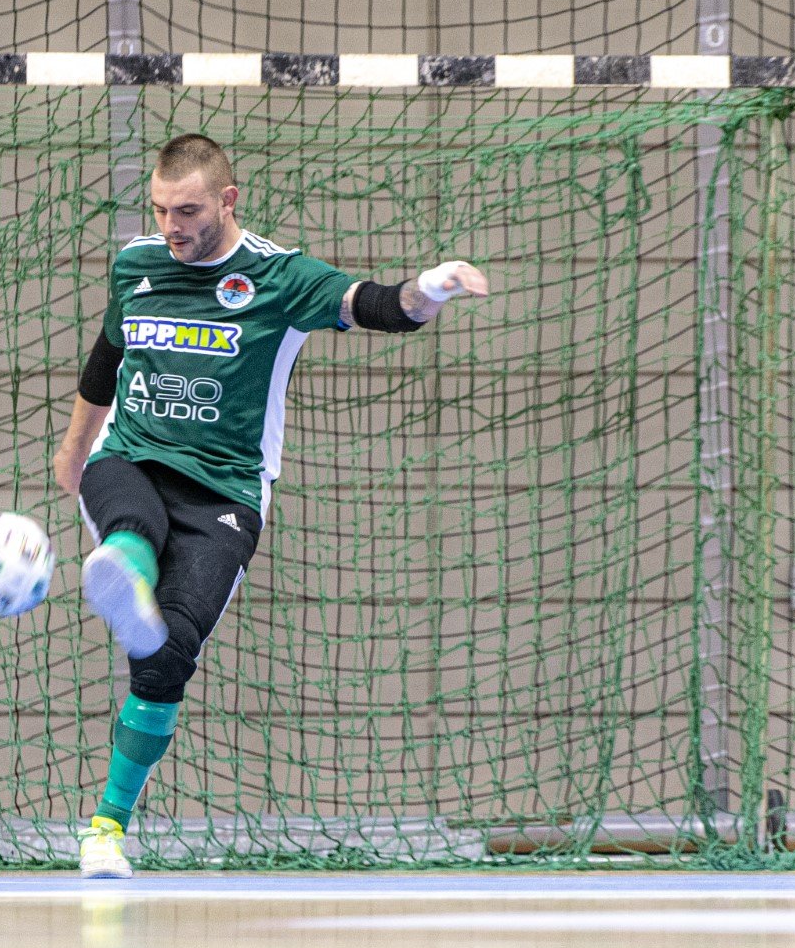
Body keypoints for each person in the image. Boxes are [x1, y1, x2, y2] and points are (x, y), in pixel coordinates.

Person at [52, 133, 488, 878]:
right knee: (131, 527)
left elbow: (379, 306)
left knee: (168, 657)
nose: (171, 227)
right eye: (159, 210)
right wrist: (73, 450)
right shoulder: (137, 263)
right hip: (129, 459)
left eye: (187, 212)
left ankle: (106, 829)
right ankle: (124, 571)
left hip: (225, 491)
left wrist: (432, 287)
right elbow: (107, 355)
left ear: (227, 201)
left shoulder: (278, 277)